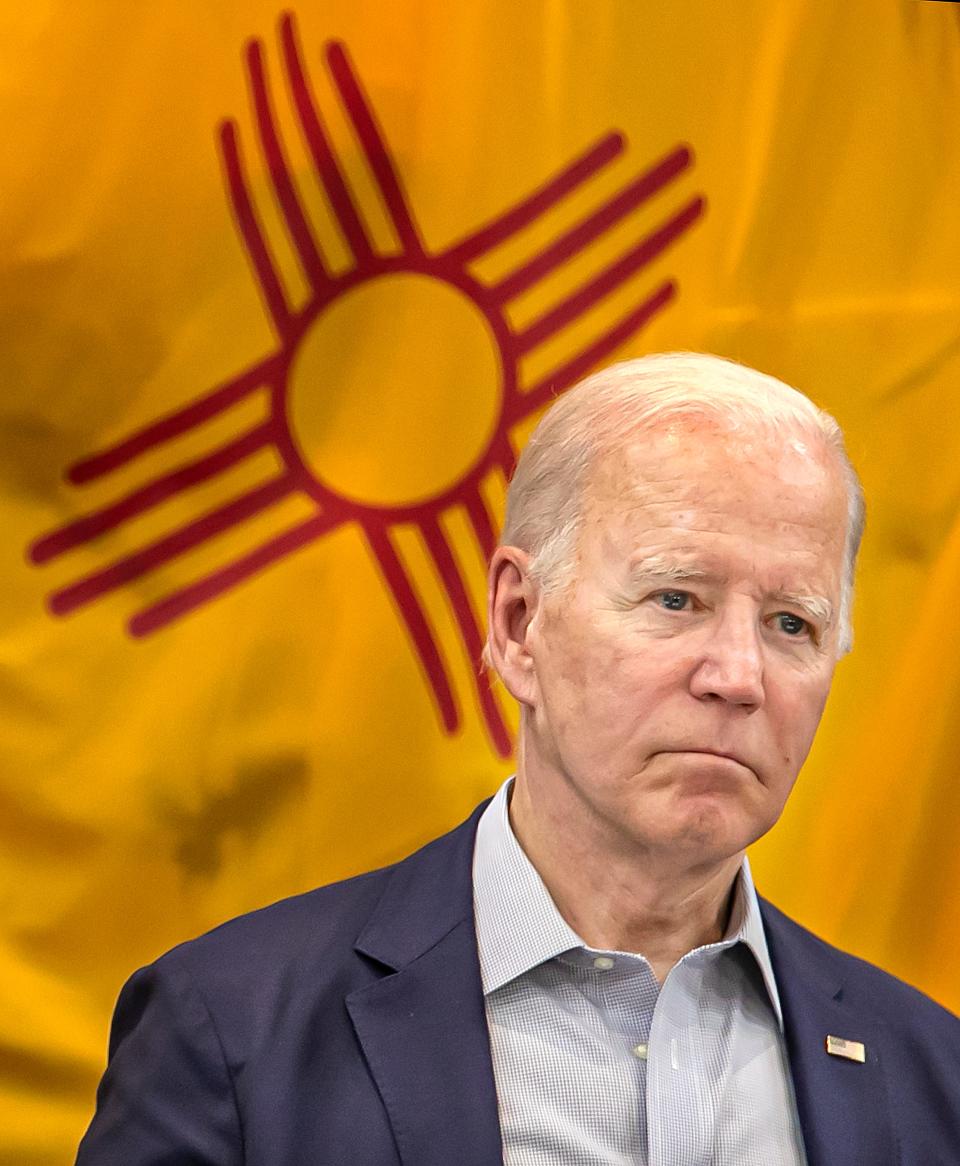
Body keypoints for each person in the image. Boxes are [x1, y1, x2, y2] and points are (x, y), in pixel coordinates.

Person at [77, 353, 960, 1165]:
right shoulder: (233, 1034)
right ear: (517, 624)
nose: (738, 676)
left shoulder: (932, 1080)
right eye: (676, 598)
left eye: (791, 625)